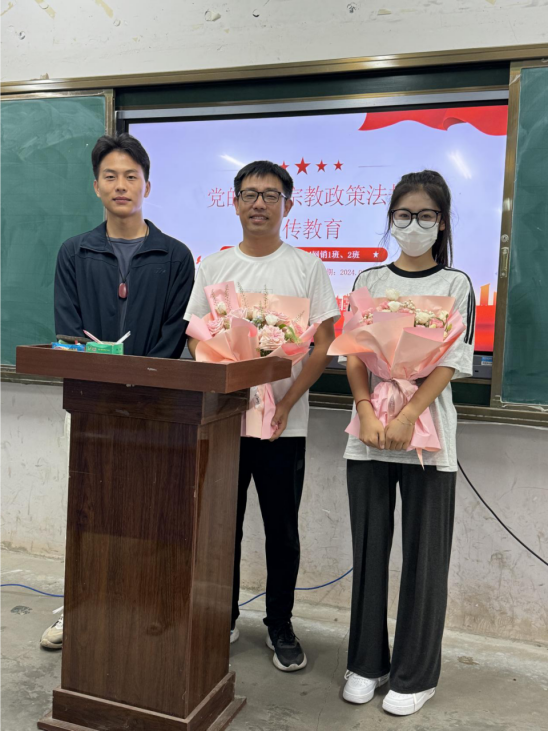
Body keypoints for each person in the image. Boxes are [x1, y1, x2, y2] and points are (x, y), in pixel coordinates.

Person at [40, 133, 195, 650]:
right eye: (111, 176)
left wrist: (141, 385)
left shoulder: (175, 255)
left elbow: (174, 334)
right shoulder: (75, 251)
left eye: (131, 176)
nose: (121, 185)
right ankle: (81, 609)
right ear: (96, 186)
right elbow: (68, 330)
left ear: (147, 185)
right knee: (90, 512)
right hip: (92, 404)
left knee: (152, 512)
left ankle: (149, 608)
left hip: (156, 407)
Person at [185, 161, 340, 672]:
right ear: (234, 203)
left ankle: (280, 624)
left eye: (271, 195)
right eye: (250, 194)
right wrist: (224, 380)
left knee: (282, 531)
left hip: (282, 426)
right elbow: (195, 337)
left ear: (287, 205)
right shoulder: (213, 267)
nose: (259, 204)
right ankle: (222, 615)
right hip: (224, 422)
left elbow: (323, 343)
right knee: (220, 526)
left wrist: (287, 402)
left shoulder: (307, 267)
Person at [342, 171, 475, 715]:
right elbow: (355, 353)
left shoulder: (456, 284)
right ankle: (365, 663)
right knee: (369, 550)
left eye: (425, 216)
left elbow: (450, 361)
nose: (413, 225)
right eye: (403, 214)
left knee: (425, 558)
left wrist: (409, 415)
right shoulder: (368, 279)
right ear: (390, 218)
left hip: (428, 438)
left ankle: (416, 674)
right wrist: (366, 409)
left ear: (441, 223)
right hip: (369, 433)